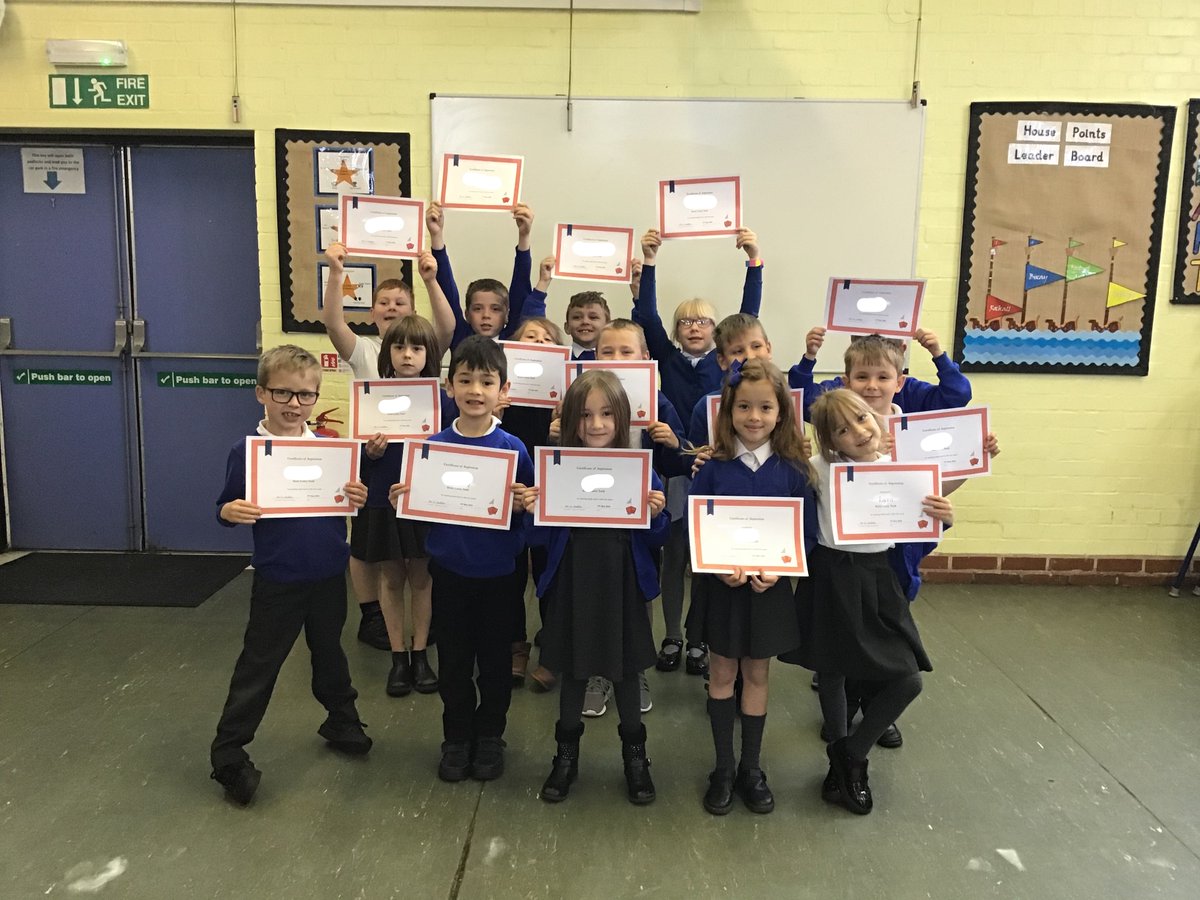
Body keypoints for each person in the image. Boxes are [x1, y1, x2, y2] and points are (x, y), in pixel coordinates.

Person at [210, 345, 371, 805]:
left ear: (316, 397)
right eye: (282, 393)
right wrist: (228, 511)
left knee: (330, 652)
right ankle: (228, 755)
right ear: (262, 393)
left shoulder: (332, 449)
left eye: (305, 395)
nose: (294, 404)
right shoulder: (247, 452)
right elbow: (224, 506)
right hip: (278, 578)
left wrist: (357, 496)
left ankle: (342, 719)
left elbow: (349, 500)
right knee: (260, 664)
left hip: (328, 574)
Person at [783, 388, 953, 815]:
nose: (858, 432)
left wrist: (944, 517)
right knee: (833, 670)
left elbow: (923, 516)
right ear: (830, 441)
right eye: (842, 430)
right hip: (830, 576)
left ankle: (850, 753)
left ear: (876, 417)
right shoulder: (817, 469)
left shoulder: (901, 469)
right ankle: (844, 765)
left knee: (908, 679)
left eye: (861, 418)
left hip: (879, 578)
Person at [388, 336, 533, 783]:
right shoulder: (431, 448)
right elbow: (425, 513)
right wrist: (405, 500)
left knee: (494, 664)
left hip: (500, 576)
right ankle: (456, 736)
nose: (475, 390)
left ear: (503, 390)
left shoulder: (513, 448)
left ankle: (489, 735)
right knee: (453, 662)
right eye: (465, 380)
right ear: (449, 386)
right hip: (449, 575)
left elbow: (530, 514)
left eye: (486, 382)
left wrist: (522, 507)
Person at [522, 370, 669, 804]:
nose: (597, 424)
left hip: (622, 584)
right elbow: (537, 539)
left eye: (606, 414)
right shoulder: (556, 467)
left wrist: (656, 514)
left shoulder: (640, 469)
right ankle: (565, 758)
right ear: (571, 420)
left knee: (626, 671)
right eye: (585, 415)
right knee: (573, 670)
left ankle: (635, 759)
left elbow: (657, 537)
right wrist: (531, 510)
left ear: (622, 418)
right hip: (573, 582)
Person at [687, 359, 817, 816]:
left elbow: (805, 534)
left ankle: (752, 768)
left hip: (768, 591)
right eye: (743, 406)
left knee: (758, 676)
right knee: (722, 674)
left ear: (781, 413)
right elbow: (696, 529)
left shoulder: (794, 471)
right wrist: (716, 568)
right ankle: (723, 768)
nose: (754, 417)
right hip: (722, 590)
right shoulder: (712, 468)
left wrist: (781, 570)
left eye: (765, 407)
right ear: (729, 411)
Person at [634, 227, 764, 679]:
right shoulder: (665, 359)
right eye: (686, 321)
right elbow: (645, 315)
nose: (694, 327)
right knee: (673, 559)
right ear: (675, 331)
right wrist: (650, 263)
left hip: (719, 473)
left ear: (716, 334)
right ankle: (673, 635)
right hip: (675, 470)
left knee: (708, 561)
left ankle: (700, 641)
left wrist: (754, 262)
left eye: (704, 321)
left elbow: (748, 318)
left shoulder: (729, 367)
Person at [320, 243, 454, 654]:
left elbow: (448, 326)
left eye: (400, 302)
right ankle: (373, 617)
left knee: (419, 563)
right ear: (372, 310)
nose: (392, 308)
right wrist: (336, 272)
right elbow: (332, 322)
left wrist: (431, 279)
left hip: (418, 476)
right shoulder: (364, 349)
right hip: (377, 467)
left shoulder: (426, 359)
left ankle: (421, 634)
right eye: (384, 302)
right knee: (373, 550)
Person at [360, 314, 455, 697]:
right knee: (391, 578)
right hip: (383, 499)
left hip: (424, 503)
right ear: (388, 353)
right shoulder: (371, 398)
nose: (407, 355)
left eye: (416, 348)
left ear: (429, 354)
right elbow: (357, 459)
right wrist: (369, 453)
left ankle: (420, 654)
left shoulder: (442, 402)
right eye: (399, 347)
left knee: (422, 579)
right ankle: (398, 657)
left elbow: (454, 451)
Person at [497, 309, 568, 690]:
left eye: (547, 340)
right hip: (507, 489)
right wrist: (494, 414)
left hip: (548, 490)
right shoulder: (500, 393)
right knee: (510, 572)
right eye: (530, 338)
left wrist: (563, 428)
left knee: (547, 570)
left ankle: (553, 649)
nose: (539, 344)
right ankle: (515, 647)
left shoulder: (565, 396)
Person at [425, 201, 536, 346]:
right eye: (477, 309)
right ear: (467, 315)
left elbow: (520, 287)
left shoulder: (512, 338)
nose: (486, 316)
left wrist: (524, 236)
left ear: (507, 315)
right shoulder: (461, 336)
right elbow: (446, 292)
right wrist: (436, 235)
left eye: (495, 309)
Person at [792, 328, 971, 419]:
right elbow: (799, 400)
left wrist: (938, 354)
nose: (872, 386)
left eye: (883, 377)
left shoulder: (911, 392)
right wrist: (809, 356)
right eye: (862, 376)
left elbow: (958, 395)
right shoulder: (840, 393)